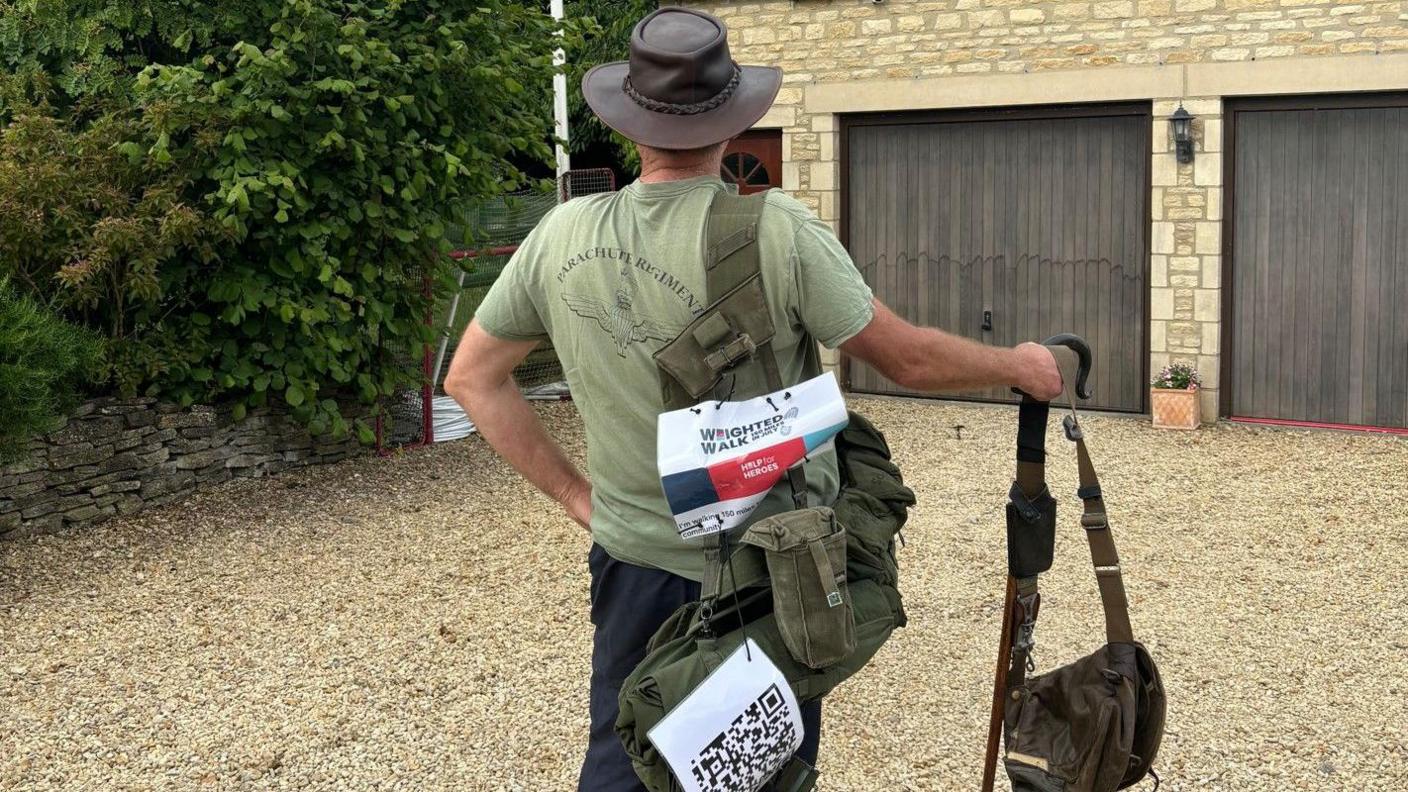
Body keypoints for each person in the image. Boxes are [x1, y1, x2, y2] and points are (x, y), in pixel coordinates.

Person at [443, 8, 1063, 791]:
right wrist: (1021, 364)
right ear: (732, 123)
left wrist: (576, 495)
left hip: (631, 561)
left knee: (630, 753)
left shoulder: (560, 235)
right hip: (772, 570)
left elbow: (471, 379)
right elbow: (904, 360)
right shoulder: (778, 231)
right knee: (758, 770)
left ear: (632, 125)